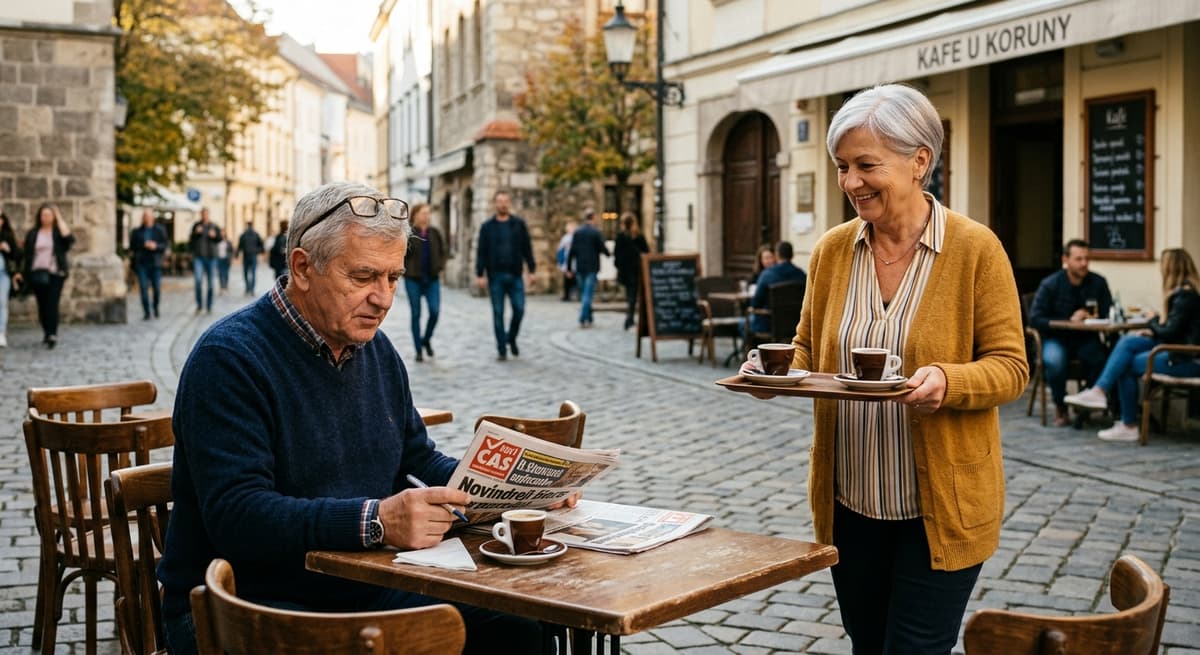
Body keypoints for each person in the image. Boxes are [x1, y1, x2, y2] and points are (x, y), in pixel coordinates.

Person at [157, 182, 543, 655]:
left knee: (517, 619)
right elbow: (239, 516)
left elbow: (417, 455)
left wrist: (512, 490)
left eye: (393, 278)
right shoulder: (229, 357)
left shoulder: (374, 348)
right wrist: (377, 520)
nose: (383, 299)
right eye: (363, 277)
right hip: (245, 604)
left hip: (354, 585)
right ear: (303, 267)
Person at [743, 84, 1027, 654]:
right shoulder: (831, 251)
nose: (851, 183)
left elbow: (1012, 367)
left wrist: (949, 380)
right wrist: (773, 371)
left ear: (920, 160)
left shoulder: (975, 249)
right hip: (851, 504)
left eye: (866, 165)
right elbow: (806, 349)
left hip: (939, 509)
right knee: (867, 645)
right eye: (842, 167)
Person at [1065, 248, 1200, 441]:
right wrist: (1153, 327)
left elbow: (1170, 332)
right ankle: (1099, 392)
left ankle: (1127, 423)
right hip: (1174, 352)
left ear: (1171, 268)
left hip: (1185, 359)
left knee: (1125, 364)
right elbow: (1175, 330)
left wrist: (1152, 321)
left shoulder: (1185, 296)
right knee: (1128, 341)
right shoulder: (1184, 293)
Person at [1028, 239, 1113, 426]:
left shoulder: (1098, 282)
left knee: (1099, 357)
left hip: (1084, 337)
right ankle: (1061, 405)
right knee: (1055, 360)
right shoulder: (1050, 284)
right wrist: (1068, 321)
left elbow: (1109, 312)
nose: (1084, 263)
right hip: (1055, 337)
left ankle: (1085, 405)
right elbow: (1035, 318)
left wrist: (1094, 316)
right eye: (1079, 259)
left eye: (1087, 259)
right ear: (1066, 260)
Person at [475, 190, 535, 360]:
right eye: (499, 201)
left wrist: (531, 270)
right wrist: (480, 273)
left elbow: (527, 248)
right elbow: (482, 252)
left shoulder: (518, 224)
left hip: (515, 275)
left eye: (505, 201)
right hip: (495, 277)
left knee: (519, 309)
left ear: (509, 203)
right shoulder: (487, 227)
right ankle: (502, 348)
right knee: (498, 313)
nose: (502, 204)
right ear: (495, 203)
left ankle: (511, 338)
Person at [17, 204, 75, 349]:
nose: (46, 218)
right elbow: (27, 254)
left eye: (49, 215)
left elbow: (69, 239)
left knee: (52, 303)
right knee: (42, 304)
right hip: (37, 272)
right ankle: (46, 331)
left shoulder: (57, 233)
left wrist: (59, 216)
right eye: (44, 215)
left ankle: (52, 334)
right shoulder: (33, 233)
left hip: (56, 273)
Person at [403, 203, 446, 362]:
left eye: (428, 213)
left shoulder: (434, 233)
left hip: (432, 279)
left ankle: (426, 339)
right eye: (423, 213)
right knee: (416, 314)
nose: (426, 216)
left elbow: (442, 251)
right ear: (415, 215)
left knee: (434, 312)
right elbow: (401, 255)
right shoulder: (408, 233)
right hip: (413, 279)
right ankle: (418, 350)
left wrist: (440, 266)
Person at [746, 241, 806, 335]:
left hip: (768, 325)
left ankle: (750, 349)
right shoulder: (802, 275)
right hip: (795, 325)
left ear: (777, 255)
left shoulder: (767, 275)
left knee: (743, 324)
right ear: (792, 255)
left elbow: (755, 303)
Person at [567, 208, 609, 329]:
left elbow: (572, 251)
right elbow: (602, 247)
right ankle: (582, 318)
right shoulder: (595, 232)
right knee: (587, 294)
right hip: (591, 267)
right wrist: (608, 253)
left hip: (580, 266)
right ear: (593, 217)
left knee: (584, 292)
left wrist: (569, 267)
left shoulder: (578, 232)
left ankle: (589, 318)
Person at [129, 208, 169, 320]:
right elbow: (132, 247)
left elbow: (165, 245)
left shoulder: (160, 230)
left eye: (148, 215)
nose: (146, 218)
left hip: (155, 263)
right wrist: (143, 245)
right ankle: (147, 312)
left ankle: (155, 307)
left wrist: (155, 246)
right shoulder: (137, 231)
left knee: (156, 289)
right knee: (143, 288)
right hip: (142, 263)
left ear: (152, 217)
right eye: (144, 216)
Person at [613, 213, 649, 330]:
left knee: (631, 295)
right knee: (633, 295)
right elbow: (646, 252)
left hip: (626, 270)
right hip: (635, 270)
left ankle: (630, 318)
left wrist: (618, 267)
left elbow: (617, 254)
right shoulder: (638, 236)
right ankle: (630, 318)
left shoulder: (621, 236)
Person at [188, 208, 222, 314]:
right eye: (203, 214)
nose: (205, 216)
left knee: (211, 284)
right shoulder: (196, 225)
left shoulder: (214, 226)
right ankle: (199, 305)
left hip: (211, 258)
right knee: (198, 281)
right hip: (199, 257)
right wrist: (196, 233)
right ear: (201, 215)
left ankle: (209, 305)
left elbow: (220, 238)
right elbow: (191, 240)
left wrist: (215, 235)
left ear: (209, 215)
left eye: (206, 214)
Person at [0, 211, 22, 348]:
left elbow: (17, 255)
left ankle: (1, 332)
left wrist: (7, 249)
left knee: (2, 302)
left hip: (3, 274)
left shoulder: (7, 236)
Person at [236, 223, 264, 296]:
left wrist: (237, 253)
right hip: (250, 256)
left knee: (248, 273)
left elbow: (239, 245)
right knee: (251, 273)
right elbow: (240, 245)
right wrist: (259, 251)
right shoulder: (252, 234)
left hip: (249, 256)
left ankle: (249, 288)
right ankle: (250, 288)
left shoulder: (247, 234)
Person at [557, 220, 577, 301]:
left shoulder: (577, 236)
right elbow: (561, 250)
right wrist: (560, 262)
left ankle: (575, 294)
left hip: (575, 262)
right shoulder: (565, 238)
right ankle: (567, 295)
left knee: (575, 280)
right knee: (567, 280)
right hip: (567, 261)